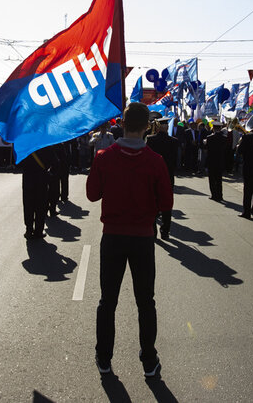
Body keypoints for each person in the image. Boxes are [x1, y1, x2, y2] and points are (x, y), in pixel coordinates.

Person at [87, 102, 173, 378]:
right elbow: (167, 202)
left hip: (112, 236)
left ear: (122, 124)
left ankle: (104, 357)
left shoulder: (104, 156)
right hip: (142, 239)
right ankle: (149, 359)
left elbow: (91, 194)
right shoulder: (156, 161)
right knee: (145, 301)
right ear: (147, 127)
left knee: (107, 301)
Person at [146, 117, 178, 240]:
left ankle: (153, 231)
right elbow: (175, 161)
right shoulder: (174, 141)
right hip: (168, 175)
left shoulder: (150, 139)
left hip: (153, 175)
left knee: (153, 203)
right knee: (167, 205)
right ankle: (165, 231)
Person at [20, 145, 56, 239]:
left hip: (28, 179)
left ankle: (29, 229)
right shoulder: (45, 144)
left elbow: (18, 163)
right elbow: (54, 161)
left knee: (28, 204)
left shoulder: (25, 144)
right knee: (40, 205)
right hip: (42, 178)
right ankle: (38, 231)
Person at [238, 124, 253, 219]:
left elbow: (240, 151)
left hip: (248, 166)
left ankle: (246, 211)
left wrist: (240, 143)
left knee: (248, 190)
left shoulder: (246, 137)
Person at [204, 121, 227, 201]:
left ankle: (214, 194)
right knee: (219, 179)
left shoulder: (209, 137)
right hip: (220, 160)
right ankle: (220, 195)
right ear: (220, 128)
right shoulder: (224, 138)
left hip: (211, 160)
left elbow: (207, 148)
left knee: (212, 179)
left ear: (213, 128)